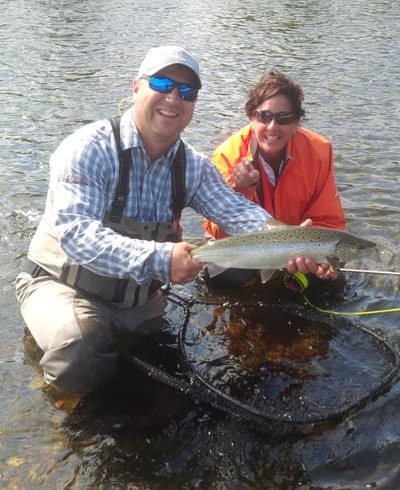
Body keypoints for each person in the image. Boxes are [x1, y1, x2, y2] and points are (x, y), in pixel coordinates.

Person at [16, 46, 335, 396]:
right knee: (81, 348)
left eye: (186, 92)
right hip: (62, 285)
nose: (173, 98)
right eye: (163, 83)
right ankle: (62, 415)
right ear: (136, 87)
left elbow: (237, 212)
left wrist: (290, 242)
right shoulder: (88, 148)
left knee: (166, 383)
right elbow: (77, 235)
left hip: (136, 302)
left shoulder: (193, 167)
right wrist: (163, 259)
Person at [203, 69, 345, 286]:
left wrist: (316, 252)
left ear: (297, 121)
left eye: (283, 118)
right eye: (264, 116)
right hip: (240, 246)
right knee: (225, 278)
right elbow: (218, 232)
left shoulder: (319, 152)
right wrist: (239, 192)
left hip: (297, 248)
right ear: (251, 117)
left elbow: (330, 221)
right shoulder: (227, 155)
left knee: (331, 280)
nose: (272, 126)